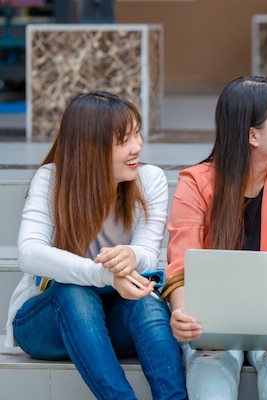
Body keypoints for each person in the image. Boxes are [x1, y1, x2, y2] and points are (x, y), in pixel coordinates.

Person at [4, 90, 187, 399]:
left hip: (113, 321)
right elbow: (30, 253)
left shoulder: (149, 180)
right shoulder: (52, 180)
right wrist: (103, 274)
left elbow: (146, 252)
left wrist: (129, 255)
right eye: (124, 140)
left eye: (137, 135)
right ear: (91, 147)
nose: (137, 147)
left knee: (146, 302)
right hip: (47, 324)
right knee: (74, 292)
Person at [161, 75, 267, 400]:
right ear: (252, 135)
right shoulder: (196, 184)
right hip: (211, 328)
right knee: (211, 364)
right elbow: (181, 266)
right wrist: (182, 314)